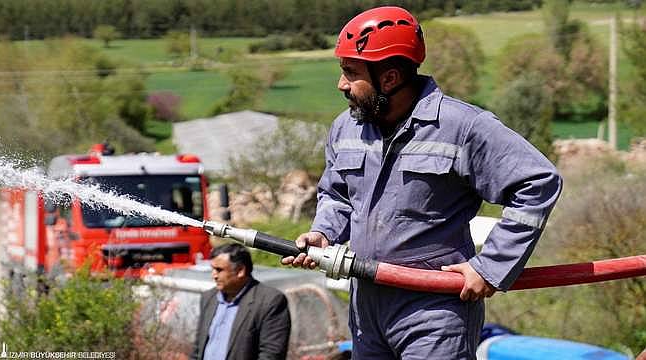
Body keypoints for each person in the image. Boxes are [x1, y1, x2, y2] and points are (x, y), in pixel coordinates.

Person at [282, 6, 562, 360]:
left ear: (390, 78)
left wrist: (491, 267)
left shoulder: (463, 127)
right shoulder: (346, 127)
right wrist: (323, 233)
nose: (342, 85)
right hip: (366, 305)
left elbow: (538, 183)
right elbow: (337, 195)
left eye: (351, 73)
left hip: (434, 311)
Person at [192, 243, 291, 360]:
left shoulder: (270, 301)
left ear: (240, 271)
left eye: (219, 270)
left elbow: (272, 354)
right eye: (212, 269)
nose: (214, 275)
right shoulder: (209, 297)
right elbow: (198, 348)